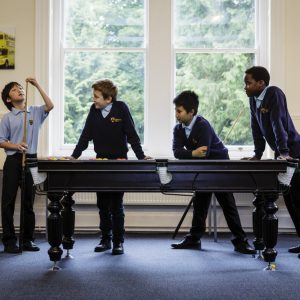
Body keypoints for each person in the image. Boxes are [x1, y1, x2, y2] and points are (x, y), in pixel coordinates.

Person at [70, 79, 149, 255]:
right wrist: (74, 156)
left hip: (119, 163)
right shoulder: (94, 110)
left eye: (96, 97)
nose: (94, 100)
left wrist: (141, 156)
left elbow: (132, 135)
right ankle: (105, 239)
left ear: (109, 99)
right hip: (100, 162)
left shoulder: (121, 108)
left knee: (116, 205)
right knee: (102, 204)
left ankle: (118, 242)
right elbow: (85, 135)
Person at [171, 90, 256, 254]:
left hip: (219, 167)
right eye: (176, 110)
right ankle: (194, 239)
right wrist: (193, 153)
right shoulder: (178, 129)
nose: (176, 115)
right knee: (200, 204)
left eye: (179, 111)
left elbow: (205, 153)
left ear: (192, 112)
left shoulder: (203, 125)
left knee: (227, 204)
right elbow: (176, 152)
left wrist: (192, 154)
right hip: (202, 168)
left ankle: (241, 241)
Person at [243, 66, 300, 254]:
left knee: (298, 198)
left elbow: (278, 123)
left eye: (248, 83)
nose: (245, 87)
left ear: (261, 83)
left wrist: (283, 152)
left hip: (294, 152)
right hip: (281, 154)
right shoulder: (253, 100)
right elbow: (256, 129)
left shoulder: (274, 93)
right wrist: (257, 154)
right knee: (290, 199)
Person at [0, 78, 54, 253]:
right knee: (7, 202)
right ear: (8, 99)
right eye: (15, 90)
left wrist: (37, 84)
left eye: (21, 88)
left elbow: (50, 105)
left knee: (28, 202)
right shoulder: (7, 118)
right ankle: (9, 241)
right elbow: (0, 141)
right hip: (14, 160)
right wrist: (15, 145)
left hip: (31, 160)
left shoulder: (35, 112)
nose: (20, 90)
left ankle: (27, 240)